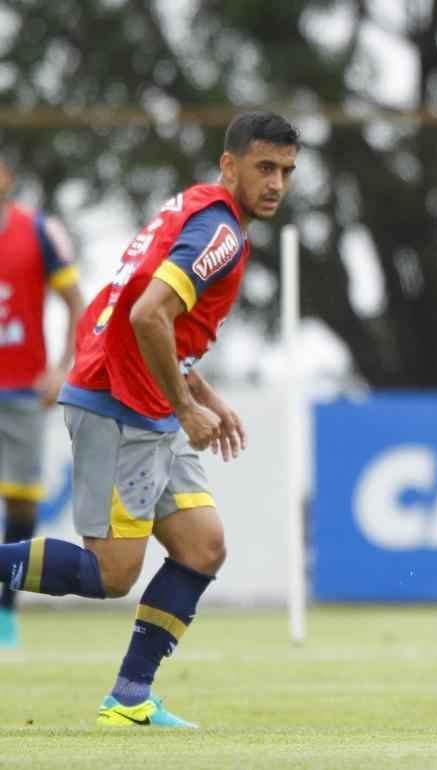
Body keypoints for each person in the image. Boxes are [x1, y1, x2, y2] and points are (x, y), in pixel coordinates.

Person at [0, 111, 298, 728]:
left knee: (202, 546)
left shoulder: (194, 208)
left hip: (148, 402)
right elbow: (146, 315)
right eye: (265, 167)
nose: (276, 183)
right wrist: (187, 408)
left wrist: (201, 394)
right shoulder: (219, 232)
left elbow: (153, 317)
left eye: (287, 172)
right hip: (120, 406)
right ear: (229, 165)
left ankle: (129, 696)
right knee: (112, 574)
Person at [0, 159, 86, 647]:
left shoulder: (37, 231)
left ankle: (6, 611)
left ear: (7, 178)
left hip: (22, 391)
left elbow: (76, 302)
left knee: (20, 498)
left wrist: (62, 367)